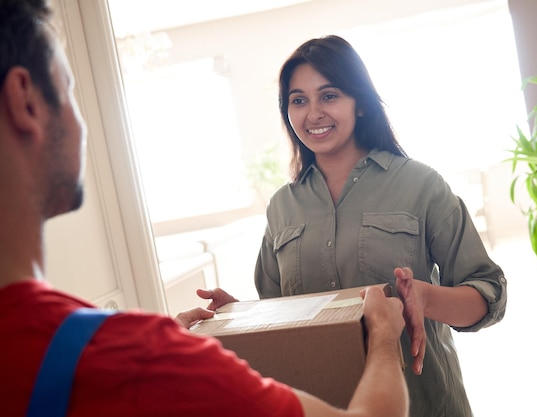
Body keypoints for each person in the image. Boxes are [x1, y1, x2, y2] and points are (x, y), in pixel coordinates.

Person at [0, 2, 409, 416]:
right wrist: (385, 336)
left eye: (330, 95)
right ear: (26, 102)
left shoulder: (113, 356)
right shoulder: (132, 355)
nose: (314, 112)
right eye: (69, 90)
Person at [248, 35, 508, 417]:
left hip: (423, 404)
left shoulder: (421, 185)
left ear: (361, 104)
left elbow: (490, 295)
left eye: (330, 95)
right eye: (298, 100)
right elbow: (275, 316)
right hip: (325, 406)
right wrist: (234, 317)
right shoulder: (282, 208)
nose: (313, 112)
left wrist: (424, 298)